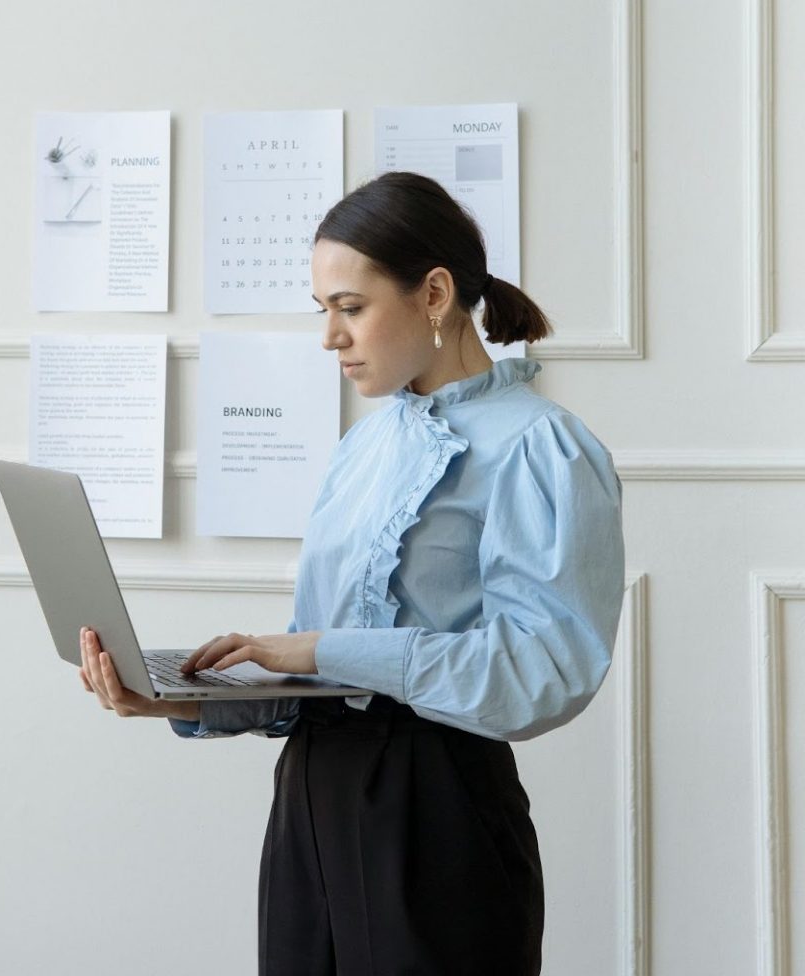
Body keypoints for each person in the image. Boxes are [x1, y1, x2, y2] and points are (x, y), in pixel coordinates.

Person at [78, 171, 625, 976]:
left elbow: (544, 671)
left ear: (434, 294)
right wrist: (183, 698)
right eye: (323, 311)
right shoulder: (366, 447)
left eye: (350, 307)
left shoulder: (541, 447)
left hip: (437, 814)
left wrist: (322, 648)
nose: (331, 337)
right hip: (309, 806)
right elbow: (322, 684)